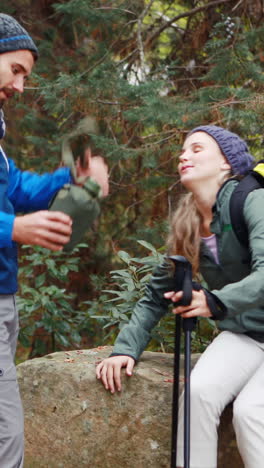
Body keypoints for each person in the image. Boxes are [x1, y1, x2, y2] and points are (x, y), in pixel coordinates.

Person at [96, 124, 264, 468]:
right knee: (198, 394)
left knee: (250, 412)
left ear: (226, 163)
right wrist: (124, 349)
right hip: (247, 334)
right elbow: (157, 295)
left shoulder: (253, 200)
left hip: (242, 325)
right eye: (182, 152)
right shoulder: (189, 222)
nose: (184, 156)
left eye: (197, 149)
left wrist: (215, 302)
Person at [0, 12, 109, 468]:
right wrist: (12, 229)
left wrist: (71, 177)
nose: (21, 87)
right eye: (16, 70)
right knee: (7, 433)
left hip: (5, 297)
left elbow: (16, 188)